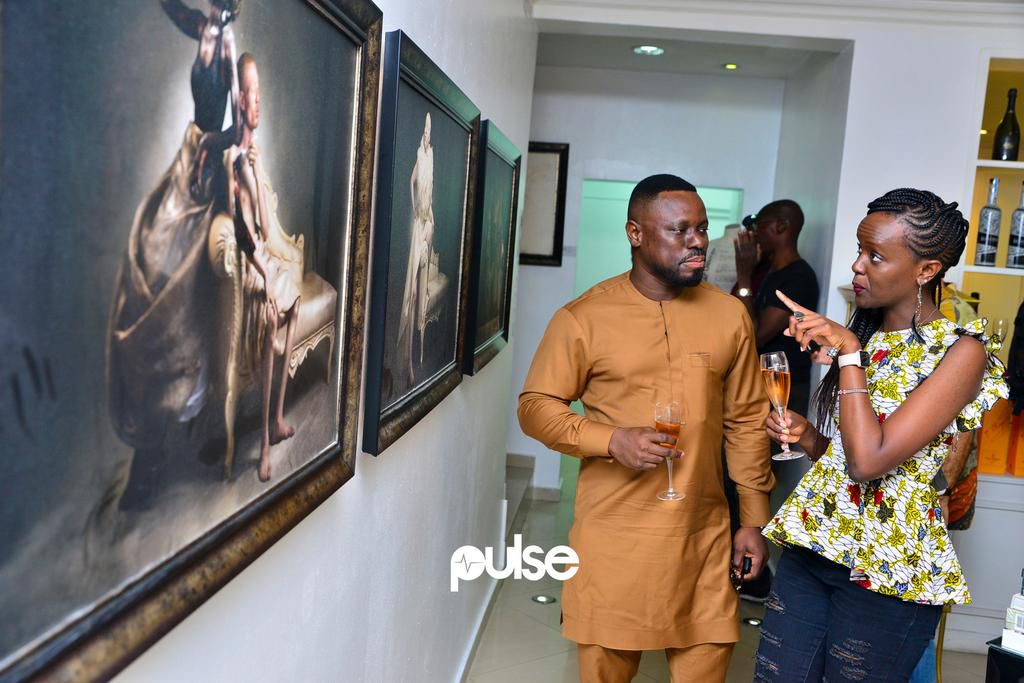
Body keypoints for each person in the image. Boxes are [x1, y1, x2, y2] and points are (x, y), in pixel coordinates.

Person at [518, 174, 775, 682]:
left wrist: (752, 519)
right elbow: (535, 406)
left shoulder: (729, 317)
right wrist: (610, 440)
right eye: (679, 230)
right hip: (616, 540)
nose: (697, 240)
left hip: (703, 538)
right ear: (635, 233)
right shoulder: (583, 318)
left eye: (700, 228)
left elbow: (746, 420)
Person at [754, 189, 1008, 681]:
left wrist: (849, 353)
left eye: (875, 256)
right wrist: (809, 439)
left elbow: (870, 463)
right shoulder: (866, 336)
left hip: (887, 572)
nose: (857, 266)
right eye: (858, 250)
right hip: (814, 550)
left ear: (926, 270)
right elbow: (852, 466)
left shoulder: (961, 352)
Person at [227, 53, 303, 481]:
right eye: (252, 94)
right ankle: (262, 443)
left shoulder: (253, 156)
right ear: (240, 100)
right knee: (272, 311)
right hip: (248, 269)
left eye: (260, 93)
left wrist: (258, 174)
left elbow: (269, 228)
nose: (259, 102)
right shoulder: (233, 156)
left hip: (266, 261)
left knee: (291, 300)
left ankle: (276, 417)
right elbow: (244, 234)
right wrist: (265, 279)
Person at [735, 199, 819, 416]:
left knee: (773, 450)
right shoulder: (771, 271)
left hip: (784, 388)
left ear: (780, 226)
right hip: (764, 381)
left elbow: (756, 334)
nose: (754, 234)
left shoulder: (797, 278)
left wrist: (744, 275)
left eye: (760, 226)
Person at [397, 112, 449, 388]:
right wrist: (416, 208)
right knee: (413, 293)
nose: (428, 135)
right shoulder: (420, 153)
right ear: (422, 134)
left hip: (427, 223)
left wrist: (430, 217)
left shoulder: (432, 157)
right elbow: (412, 181)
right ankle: (407, 363)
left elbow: (431, 191)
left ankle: (414, 361)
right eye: (425, 131)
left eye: (430, 131)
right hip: (420, 224)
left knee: (420, 290)